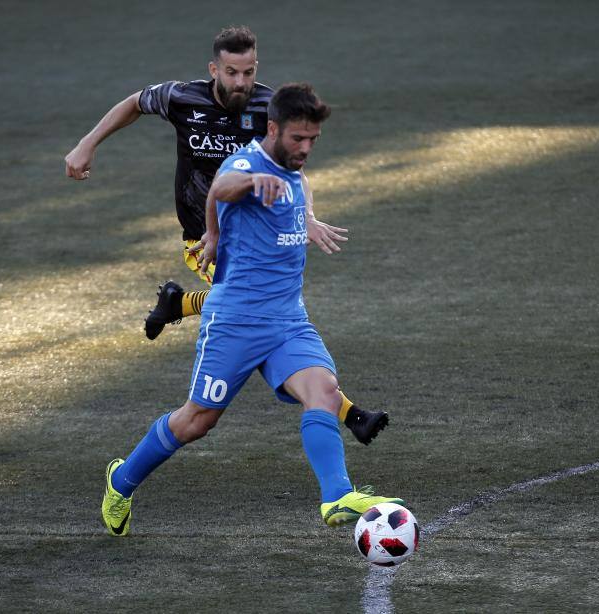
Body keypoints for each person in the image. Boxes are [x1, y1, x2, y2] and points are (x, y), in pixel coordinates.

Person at [101, 84, 403, 537]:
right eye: (297, 139)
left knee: (323, 390)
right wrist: (242, 195)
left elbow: (276, 193)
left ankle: (337, 495)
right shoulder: (248, 164)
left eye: (312, 140)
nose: (305, 149)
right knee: (197, 421)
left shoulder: (295, 172)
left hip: (287, 321)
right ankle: (121, 481)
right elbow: (222, 185)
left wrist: (235, 229)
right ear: (274, 128)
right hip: (235, 323)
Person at [65, 26, 388, 446]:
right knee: (256, 316)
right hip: (204, 237)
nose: (241, 82)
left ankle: (178, 304)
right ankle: (348, 412)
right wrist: (86, 144)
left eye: (249, 72)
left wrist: (306, 215)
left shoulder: (269, 107)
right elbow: (134, 103)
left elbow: (296, 171)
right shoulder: (182, 97)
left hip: (258, 232)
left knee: (260, 314)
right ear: (214, 68)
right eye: (232, 72)